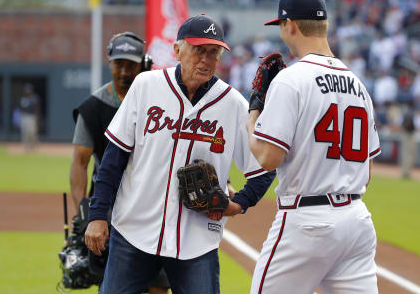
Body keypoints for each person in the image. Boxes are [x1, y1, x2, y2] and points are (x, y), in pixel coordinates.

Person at [84, 15, 276, 294]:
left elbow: (264, 168)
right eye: (199, 50)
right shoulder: (146, 86)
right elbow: (113, 160)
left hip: (197, 241)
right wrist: (98, 214)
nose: (206, 60)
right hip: (134, 232)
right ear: (177, 51)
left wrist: (239, 204)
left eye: (214, 52)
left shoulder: (233, 104)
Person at [245, 0, 381, 293]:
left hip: (306, 220)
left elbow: (268, 158)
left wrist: (252, 114)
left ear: (290, 25)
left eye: (280, 26)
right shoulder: (359, 85)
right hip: (357, 222)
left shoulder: (292, 79)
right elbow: (367, 173)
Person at [70, 31, 169, 293]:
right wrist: (83, 210)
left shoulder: (160, 103)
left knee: (158, 286)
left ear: (144, 64)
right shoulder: (92, 108)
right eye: (118, 64)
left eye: (131, 64)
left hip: (152, 206)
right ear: (109, 63)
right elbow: (80, 162)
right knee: (113, 282)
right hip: (111, 207)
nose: (124, 71)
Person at [19, 83, 40, 152]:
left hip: (31, 117)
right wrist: (21, 117)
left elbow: (37, 109)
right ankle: (26, 147)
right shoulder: (23, 99)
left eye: (28, 90)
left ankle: (33, 146)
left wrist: (36, 118)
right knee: (24, 132)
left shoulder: (34, 98)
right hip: (24, 116)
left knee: (32, 132)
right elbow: (21, 109)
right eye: (26, 90)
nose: (27, 91)